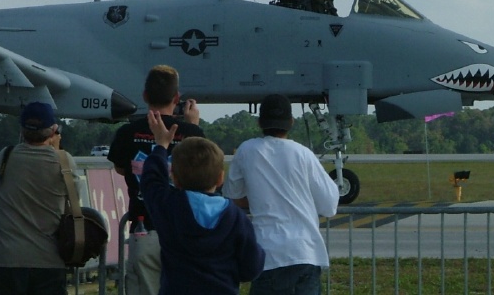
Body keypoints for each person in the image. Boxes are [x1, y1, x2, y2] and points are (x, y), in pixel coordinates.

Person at [225, 94, 339, 295]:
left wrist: (262, 200)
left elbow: (232, 195)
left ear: (260, 122)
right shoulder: (303, 154)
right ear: (291, 122)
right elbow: (329, 206)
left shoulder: (247, 150)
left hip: (268, 255)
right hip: (306, 252)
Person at [140, 110, 265, 293]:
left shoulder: (170, 206)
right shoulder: (235, 218)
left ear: (174, 177)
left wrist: (161, 145)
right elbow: (251, 268)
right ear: (220, 178)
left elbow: (151, 180)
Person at [107, 64, 205, 295]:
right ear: (177, 98)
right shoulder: (192, 134)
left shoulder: (126, 133)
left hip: (144, 229)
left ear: (145, 96)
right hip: (184, 233)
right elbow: (200, 173)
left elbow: (122, 169)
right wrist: (192, 127)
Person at [0, 101, 78, 295]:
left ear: (22, 129)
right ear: (53, 130)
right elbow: (74, 194)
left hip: (5, 260)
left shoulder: (6, 156)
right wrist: (56, 150)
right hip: (48, 261)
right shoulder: (64, 161)